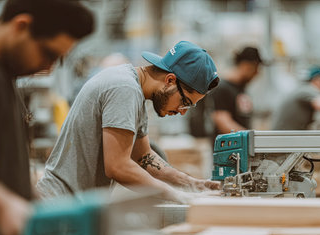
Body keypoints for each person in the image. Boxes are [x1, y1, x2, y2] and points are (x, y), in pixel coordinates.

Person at [0, 0, 94, 235]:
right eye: (49, 54)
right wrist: (2, 204)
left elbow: (1, 163)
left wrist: (37, 204)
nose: (49, 68)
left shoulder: (4, 75)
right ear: (21, 25)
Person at [36, 41, 220, 203]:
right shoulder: (125, 88)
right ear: (170, 80)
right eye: (185, 102)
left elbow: (144, 157)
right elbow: (118, 166)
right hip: (59, 203)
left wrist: (194, 184)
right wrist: (176, 195)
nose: (182, 112)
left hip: (73, 203)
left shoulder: (133, 90)